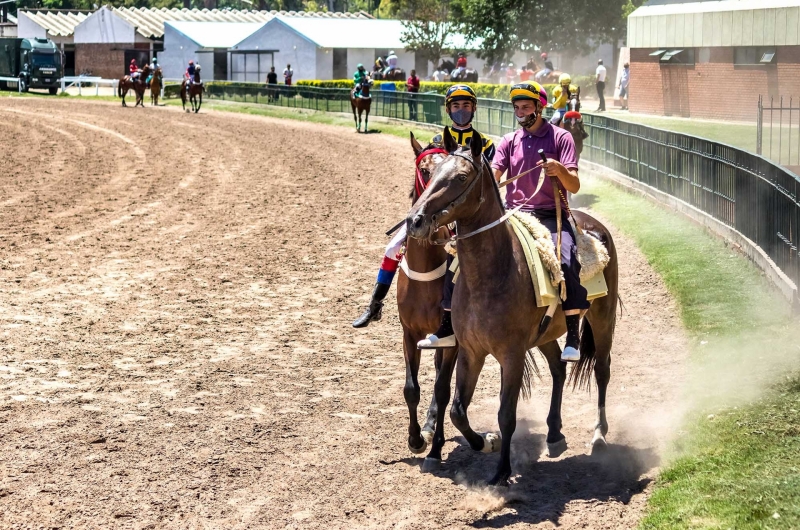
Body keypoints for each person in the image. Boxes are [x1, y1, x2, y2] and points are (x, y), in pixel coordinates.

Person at [353, 84, 496, 341]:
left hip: (471, 217)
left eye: (465, 106)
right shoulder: (439, 142)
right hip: (439, 213)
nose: (460, 110)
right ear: (448, 109)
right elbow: (427, 179)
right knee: (392, 248)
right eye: (456, 106)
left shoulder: (485, 144)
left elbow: (491, 183)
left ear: (474, 108)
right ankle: (375, 304)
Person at [491, 82, 588, 362]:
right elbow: (494, 176)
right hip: (513, 214)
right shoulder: (508, 141)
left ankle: (572, 334)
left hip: (550, 214)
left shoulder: (561, 138)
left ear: (539, 107)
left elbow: (575, 185)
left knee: (566, 260)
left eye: (526, 107)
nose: (521, 113)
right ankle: (450, 321)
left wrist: (559, 170)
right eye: (517, 108)